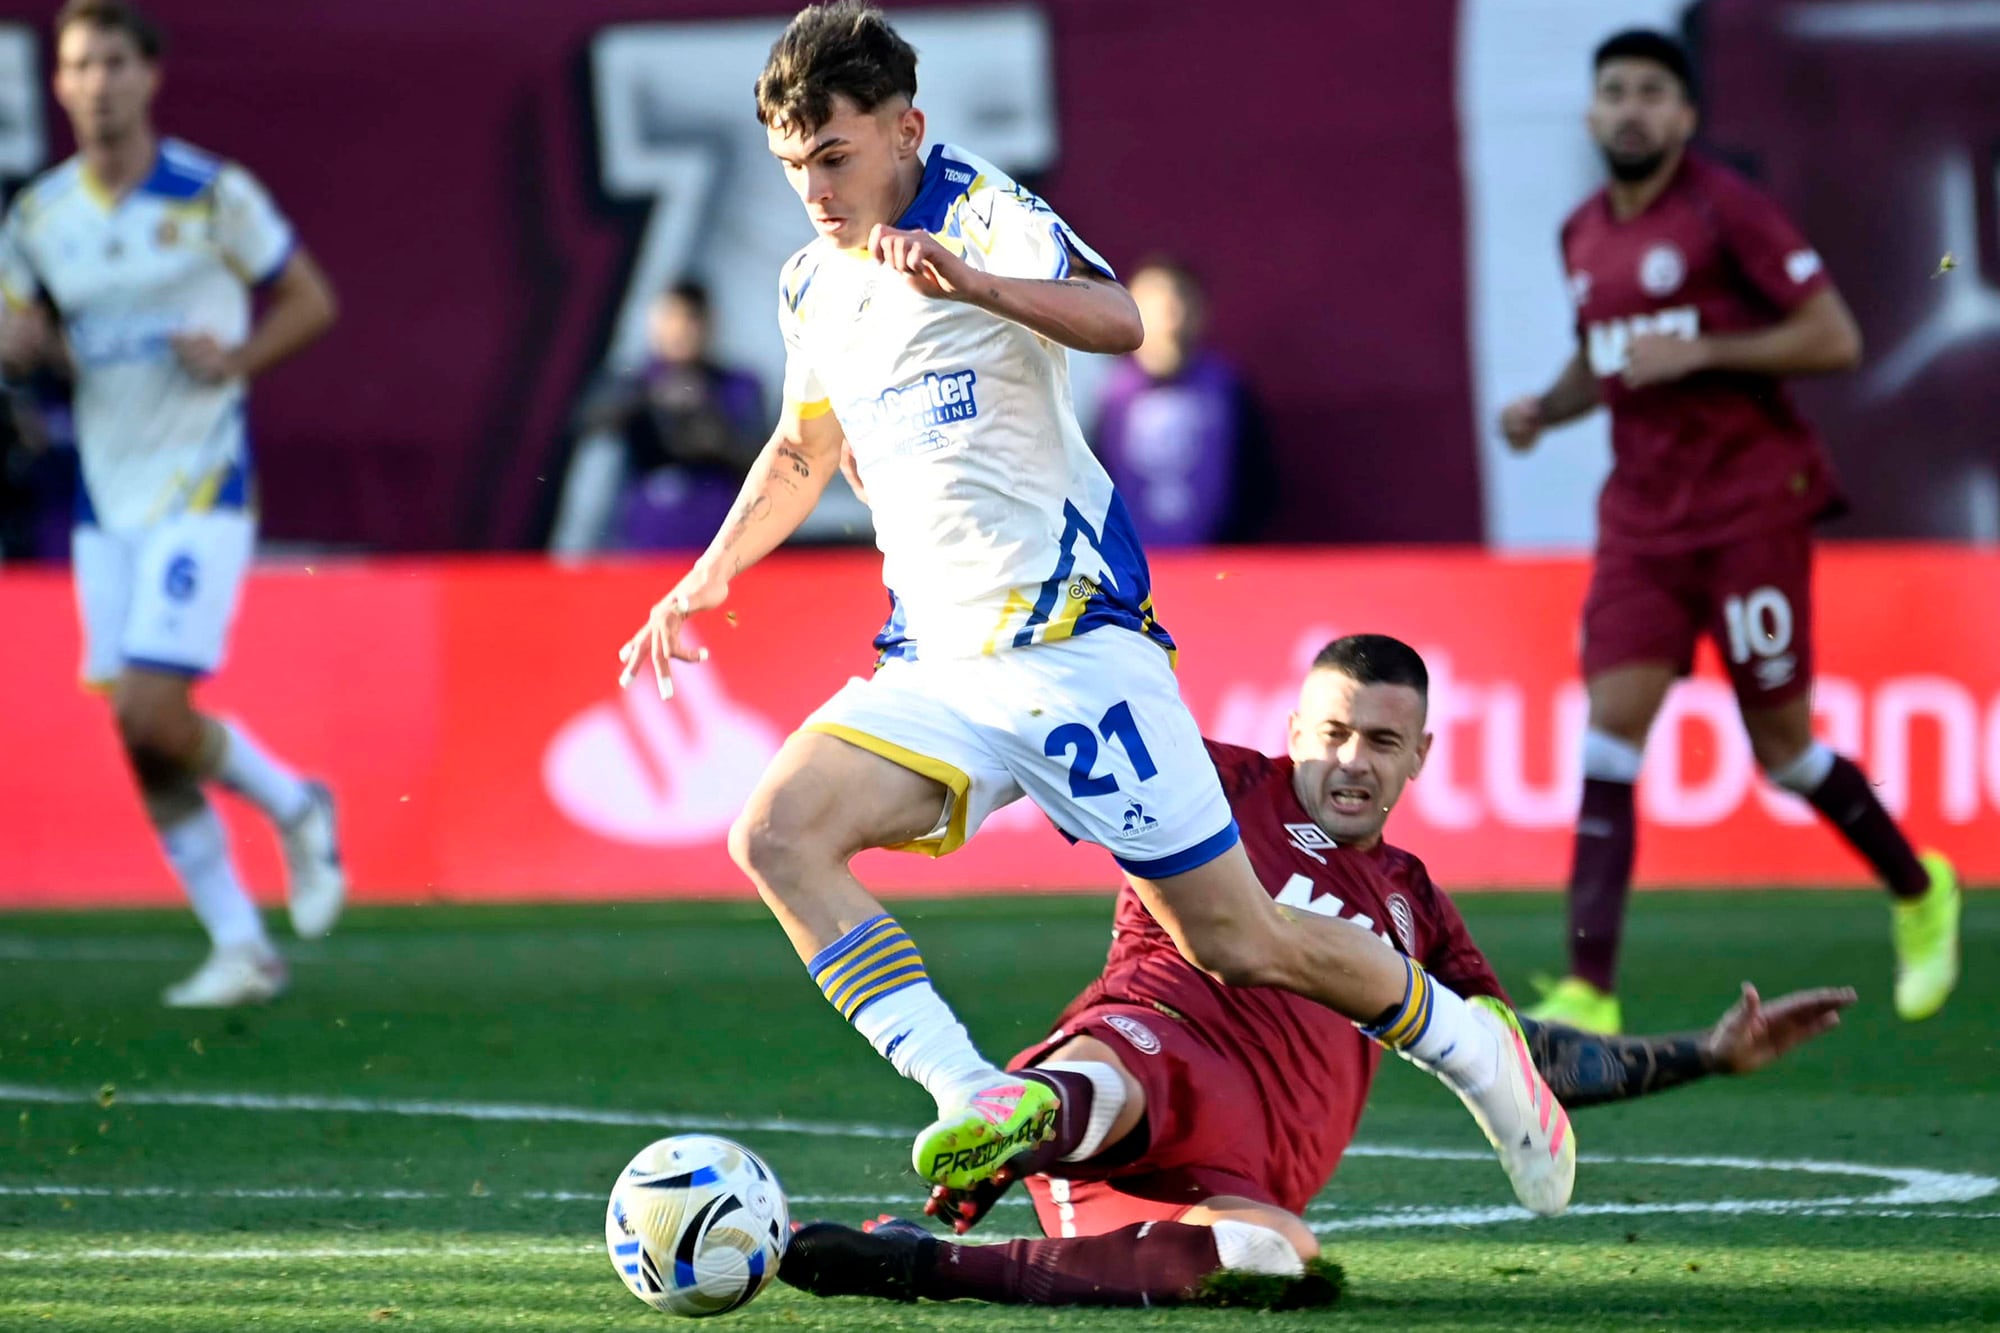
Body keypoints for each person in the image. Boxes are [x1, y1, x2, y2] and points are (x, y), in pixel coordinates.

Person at [614, 0, 1571, 1214]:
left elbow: (1118, 319)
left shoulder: (981, 212)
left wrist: (973, 281)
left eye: (834, 156)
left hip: (1073, 652)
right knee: (777, 833)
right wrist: (708, 574)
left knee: (1236, 937)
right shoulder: (814, 281)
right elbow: (803, 449)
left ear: (905, 127)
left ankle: (1476, 1050)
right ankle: (966, 1090)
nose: (811, 186)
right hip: (938, 668)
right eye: (792, 165)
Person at [776, 635, 1854, 1308]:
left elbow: (1517, 1062)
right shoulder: (1205, 783)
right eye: (1332, 731)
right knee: (1128, 1065)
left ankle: (920, 1263)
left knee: (1272, 1259)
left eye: (1381, 742)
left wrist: (1703, 1053)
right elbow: (1045, 736)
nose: (1350, 760)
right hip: (1150, 1057)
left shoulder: (1414, 900)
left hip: (1231, 1181)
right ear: (1293, 727)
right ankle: (1022, 1115)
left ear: (1419, 756)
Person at [1496, 29, 1958, 1033]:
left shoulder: (1722, 209)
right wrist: (1544, 405)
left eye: (1650, 93)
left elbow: (1832, 337)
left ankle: (1917, 885)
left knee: (1782, 750)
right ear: (1589, 112)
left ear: (1684, 117)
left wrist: (1703, 347)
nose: (1628, 108)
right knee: (1609, 731)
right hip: (1640, 522)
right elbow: (1604, 360)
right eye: (1611, 91)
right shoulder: (1580, 232)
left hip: (1748, 508)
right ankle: (1590, 986)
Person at [0, 0, 344, 1007]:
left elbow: (312, 299)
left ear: (148, 75)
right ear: (58, 83)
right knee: (138, 731)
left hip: (201, 483)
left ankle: (294, 802)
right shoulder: (39, 217)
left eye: (114, 61)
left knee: (153, 707)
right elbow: (23, 326)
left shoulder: (208, 194)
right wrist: (24, 345)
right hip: (108, 498)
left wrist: (236, 355)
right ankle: (243, 944)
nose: (97, 82)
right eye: (78, 64)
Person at [550, 280, 766, 553]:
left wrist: (708, 425)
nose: (679, 330)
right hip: (645, 541)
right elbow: (586, 423)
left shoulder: (735, 385)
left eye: (690, 319)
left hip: (717, 543)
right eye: (670, 317)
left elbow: (762, 459)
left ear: (709, 325)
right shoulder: (634, 381)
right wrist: (647, 400)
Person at [1090, 257, 1273, 545]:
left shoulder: (1228, 389)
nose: (1170, 319)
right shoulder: (1104, 392)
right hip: (1125, 571)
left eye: (1180, 302)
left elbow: (1258, 483)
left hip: (1215, 567)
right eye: (1155, 305)